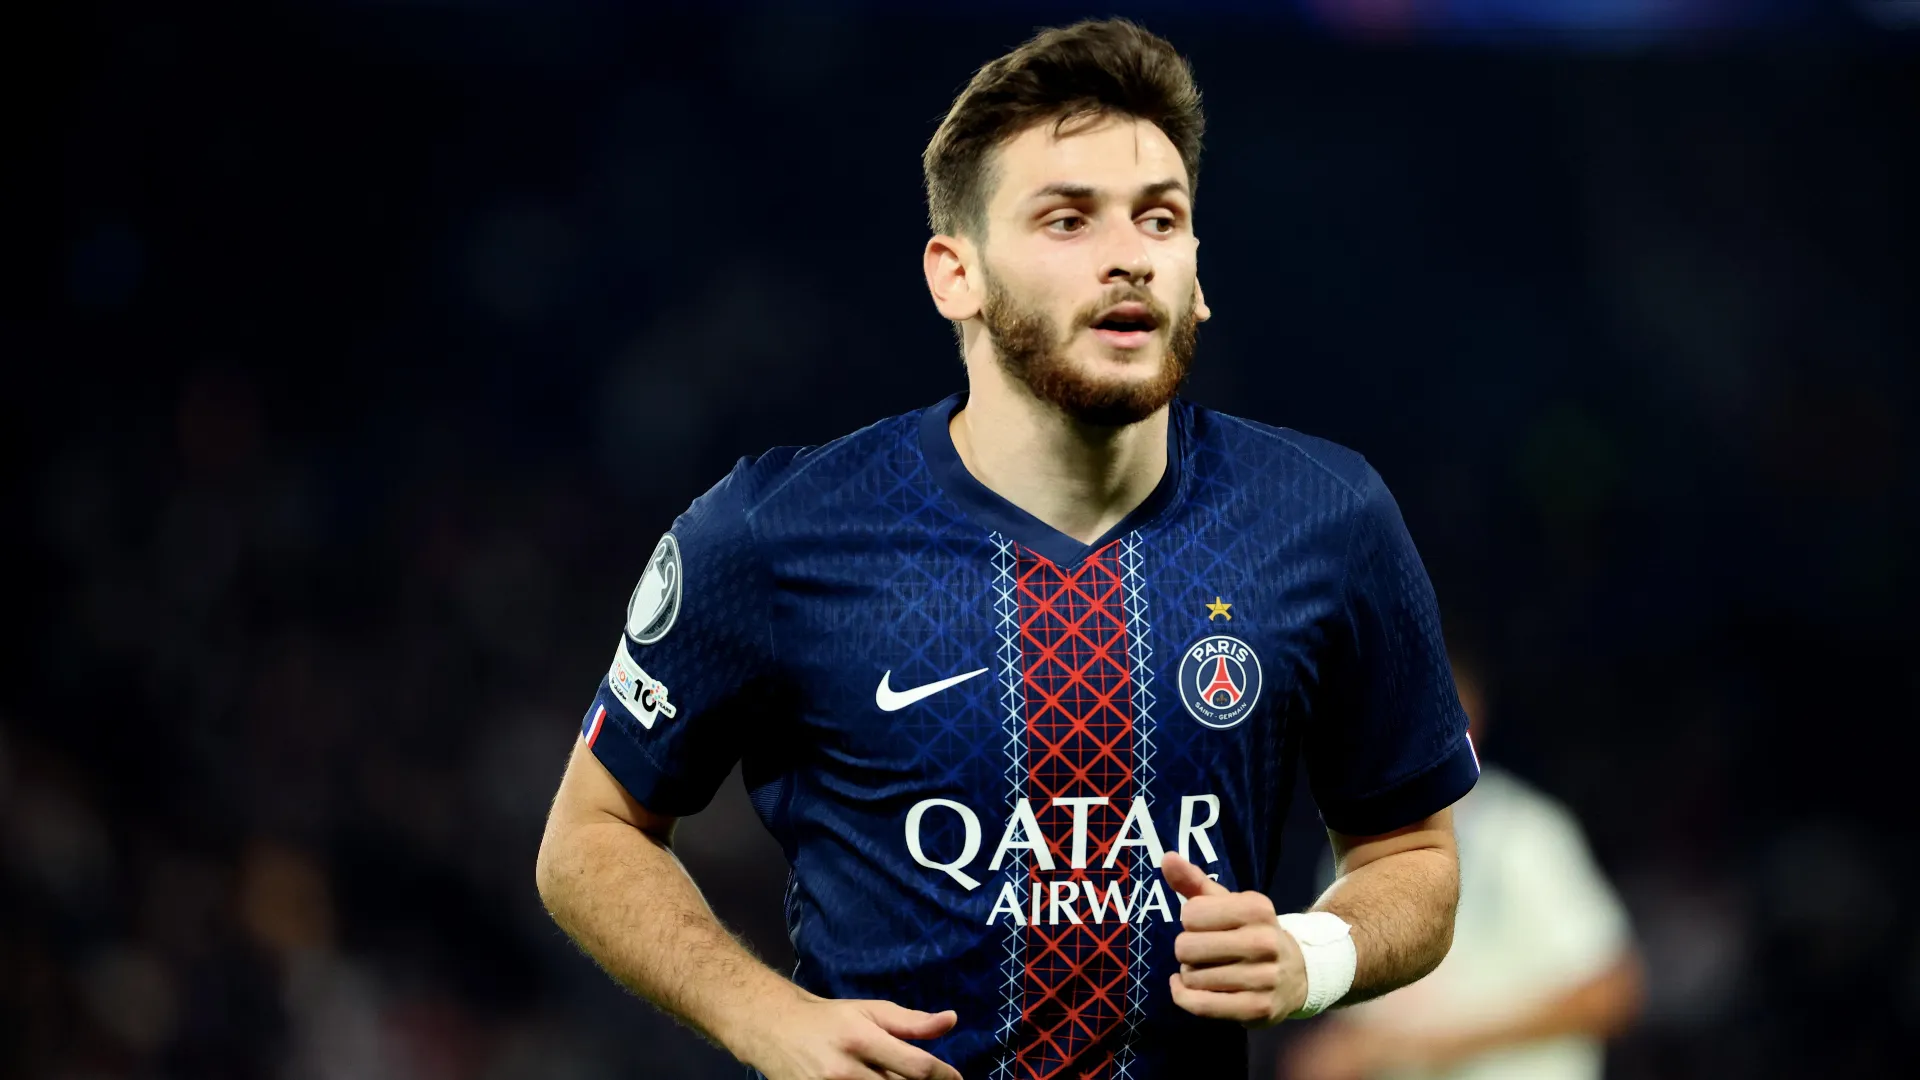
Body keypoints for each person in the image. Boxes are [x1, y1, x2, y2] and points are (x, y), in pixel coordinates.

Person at [535, 18, 1479, 1080]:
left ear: (1197, 272)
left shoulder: (1327, 517)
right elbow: (590, 836)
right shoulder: (776, 530)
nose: (1129, 254)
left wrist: (1316, 953)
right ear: (957, 275)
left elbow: (1414, 855)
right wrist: (761, 1015)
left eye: (1160, 218)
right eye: (1067, 220)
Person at [1284, 657, 1644, 1080]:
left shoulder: (1522, 833)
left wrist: (1436, 1046)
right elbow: (1365, 1022)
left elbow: (1611, 992)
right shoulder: (1350, 850)